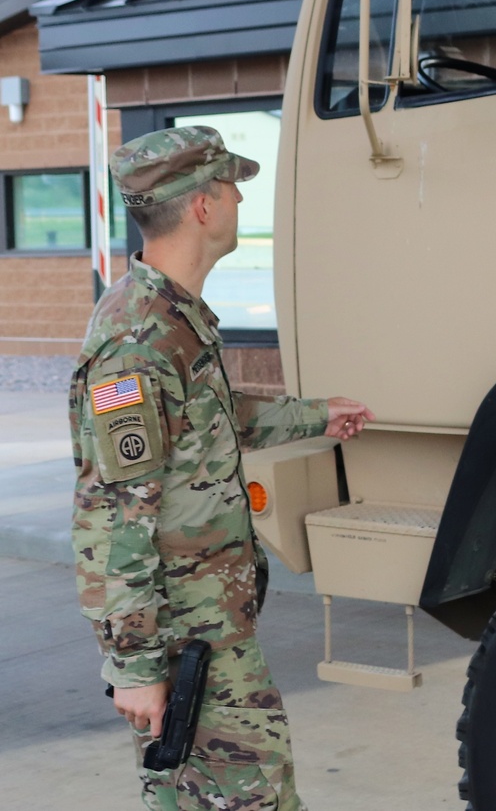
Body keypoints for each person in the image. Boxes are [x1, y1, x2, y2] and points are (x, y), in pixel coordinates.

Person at [69, 125, 374, 810]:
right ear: (203, 205)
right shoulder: (135, 342)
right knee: (254, 798)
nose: (239, 197)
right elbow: (114, 516)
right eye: (232, 185)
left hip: (211, 626)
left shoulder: (174, 319)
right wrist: (136, 667)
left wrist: (312, 415)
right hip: (186, 640)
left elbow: (203, 422)